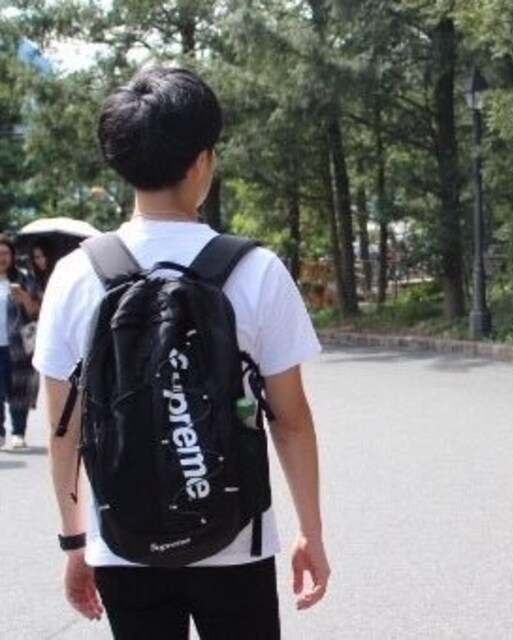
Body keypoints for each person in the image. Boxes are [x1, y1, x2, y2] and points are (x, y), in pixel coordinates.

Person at [33, 66, 330, 639]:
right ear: (201, 163)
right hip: (236, 540)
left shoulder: (74, 276)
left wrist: (75, 541)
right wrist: (310, 533)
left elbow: (64, 429)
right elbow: (290, 421)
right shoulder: (256, 271)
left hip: (124, 543)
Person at [0, 235, 40, 451]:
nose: (2, 258)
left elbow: (36, 313)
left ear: (13, 256)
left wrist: (24, 298)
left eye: (5, 253)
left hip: (18, 347)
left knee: (19, 390)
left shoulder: (24, 279)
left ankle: (18, 432)